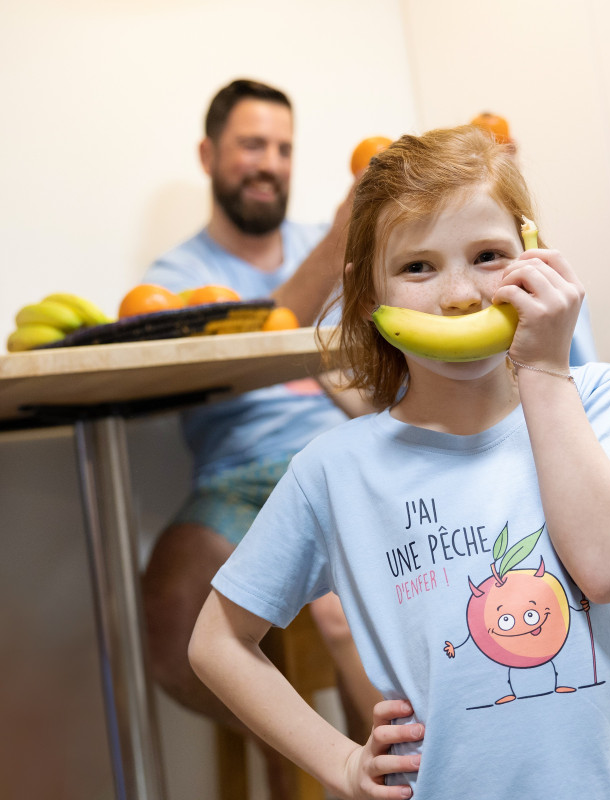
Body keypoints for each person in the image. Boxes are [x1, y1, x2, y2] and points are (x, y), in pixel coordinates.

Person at [187, 124, 610, 799]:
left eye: (488, 255)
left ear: (534, 257)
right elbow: (216, 641)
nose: (459, 295)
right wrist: (339, 762)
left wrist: (542, 368)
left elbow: (606, 568)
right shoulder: (336, 471)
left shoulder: (592, 398)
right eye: (419, 266)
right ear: (369, 297)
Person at [139, 79, 382, 791]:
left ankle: (402, 782)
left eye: (283, 148)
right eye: (251, 144)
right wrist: (338, 244)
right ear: (209, 154)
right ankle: (304, 754)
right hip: (237, 480)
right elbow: (266, 336)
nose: (269, 162)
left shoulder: (339, 245)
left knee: (343, 615)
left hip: (341, 458)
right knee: (172, 621)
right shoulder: (177, 277)